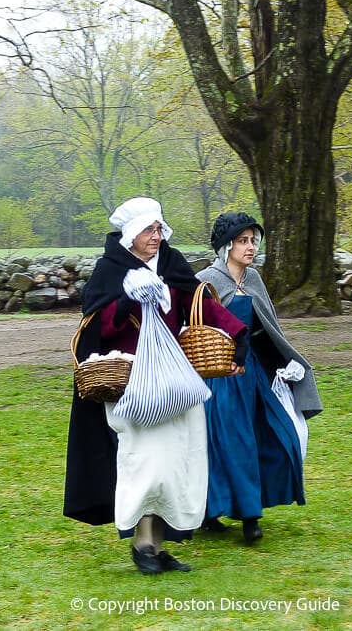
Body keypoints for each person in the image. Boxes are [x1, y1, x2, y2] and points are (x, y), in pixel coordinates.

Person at [63, 197, 247, 574]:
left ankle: (159, 545)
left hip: (176, 381)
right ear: (131, 234)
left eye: (159, 228)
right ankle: (143, 544)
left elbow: (199, 302)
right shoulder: (109, 271)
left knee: (178, 461)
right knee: (145, 463)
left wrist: (237, 334)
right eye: (149, 229)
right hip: (130, 382)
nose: (156, 235)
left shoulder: (171, 263)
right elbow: (98, 327)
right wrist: (127, 298)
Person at [195, 212, 323, 544]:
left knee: (275, 435)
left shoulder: (253, 280)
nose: (251, 247)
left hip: (252, 373)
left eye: (253, 240)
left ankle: (239, 506)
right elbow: (192, 330)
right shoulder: (206, 282)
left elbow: (268, 329)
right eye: (243, 241)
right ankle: (244, 515)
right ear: (226, 246)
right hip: (218, 375)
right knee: (225, 442)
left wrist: (285, 364)